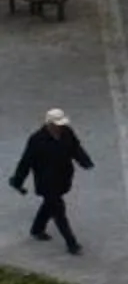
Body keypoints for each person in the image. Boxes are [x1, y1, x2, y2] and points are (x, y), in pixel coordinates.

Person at [8, 108, 93, 254]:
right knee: (59, 211)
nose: (60, 126)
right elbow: (25, 163)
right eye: (57, 124)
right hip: (46, 182)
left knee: (50, 205)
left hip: (63, 178)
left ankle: (37, 229)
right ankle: (71, 243)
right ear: (49, 124)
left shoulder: (67, 132)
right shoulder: (36, 140)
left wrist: (85, 162)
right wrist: (18, 181)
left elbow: (75, 148)